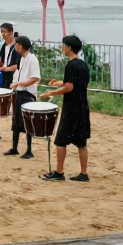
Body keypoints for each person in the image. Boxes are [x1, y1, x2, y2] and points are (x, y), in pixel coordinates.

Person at [40, 34, 91, 182]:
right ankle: (83, 173)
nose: (62, 48)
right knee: (81, 142)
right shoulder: (83, 65)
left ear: (69, 47)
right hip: (83, 105)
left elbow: (69, 87)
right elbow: (83, 84)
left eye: (63, 45)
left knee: (61, 140)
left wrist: (51, 92)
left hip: (71, 107)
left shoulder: (70, 65)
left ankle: (59, 172)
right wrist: (59, 83)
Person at [5, 35, 40, 159]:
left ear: (21, 46)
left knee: (27, 121)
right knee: (16, 120)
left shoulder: (32, 59)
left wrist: (19, 84)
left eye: (17, 44)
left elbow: (35, 78)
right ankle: (14, 148)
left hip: (28, 94)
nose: (15, 46)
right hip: (19, 92)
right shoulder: (22, 59)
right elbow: (19, 74)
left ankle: (29, 150)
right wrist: (15, 84)